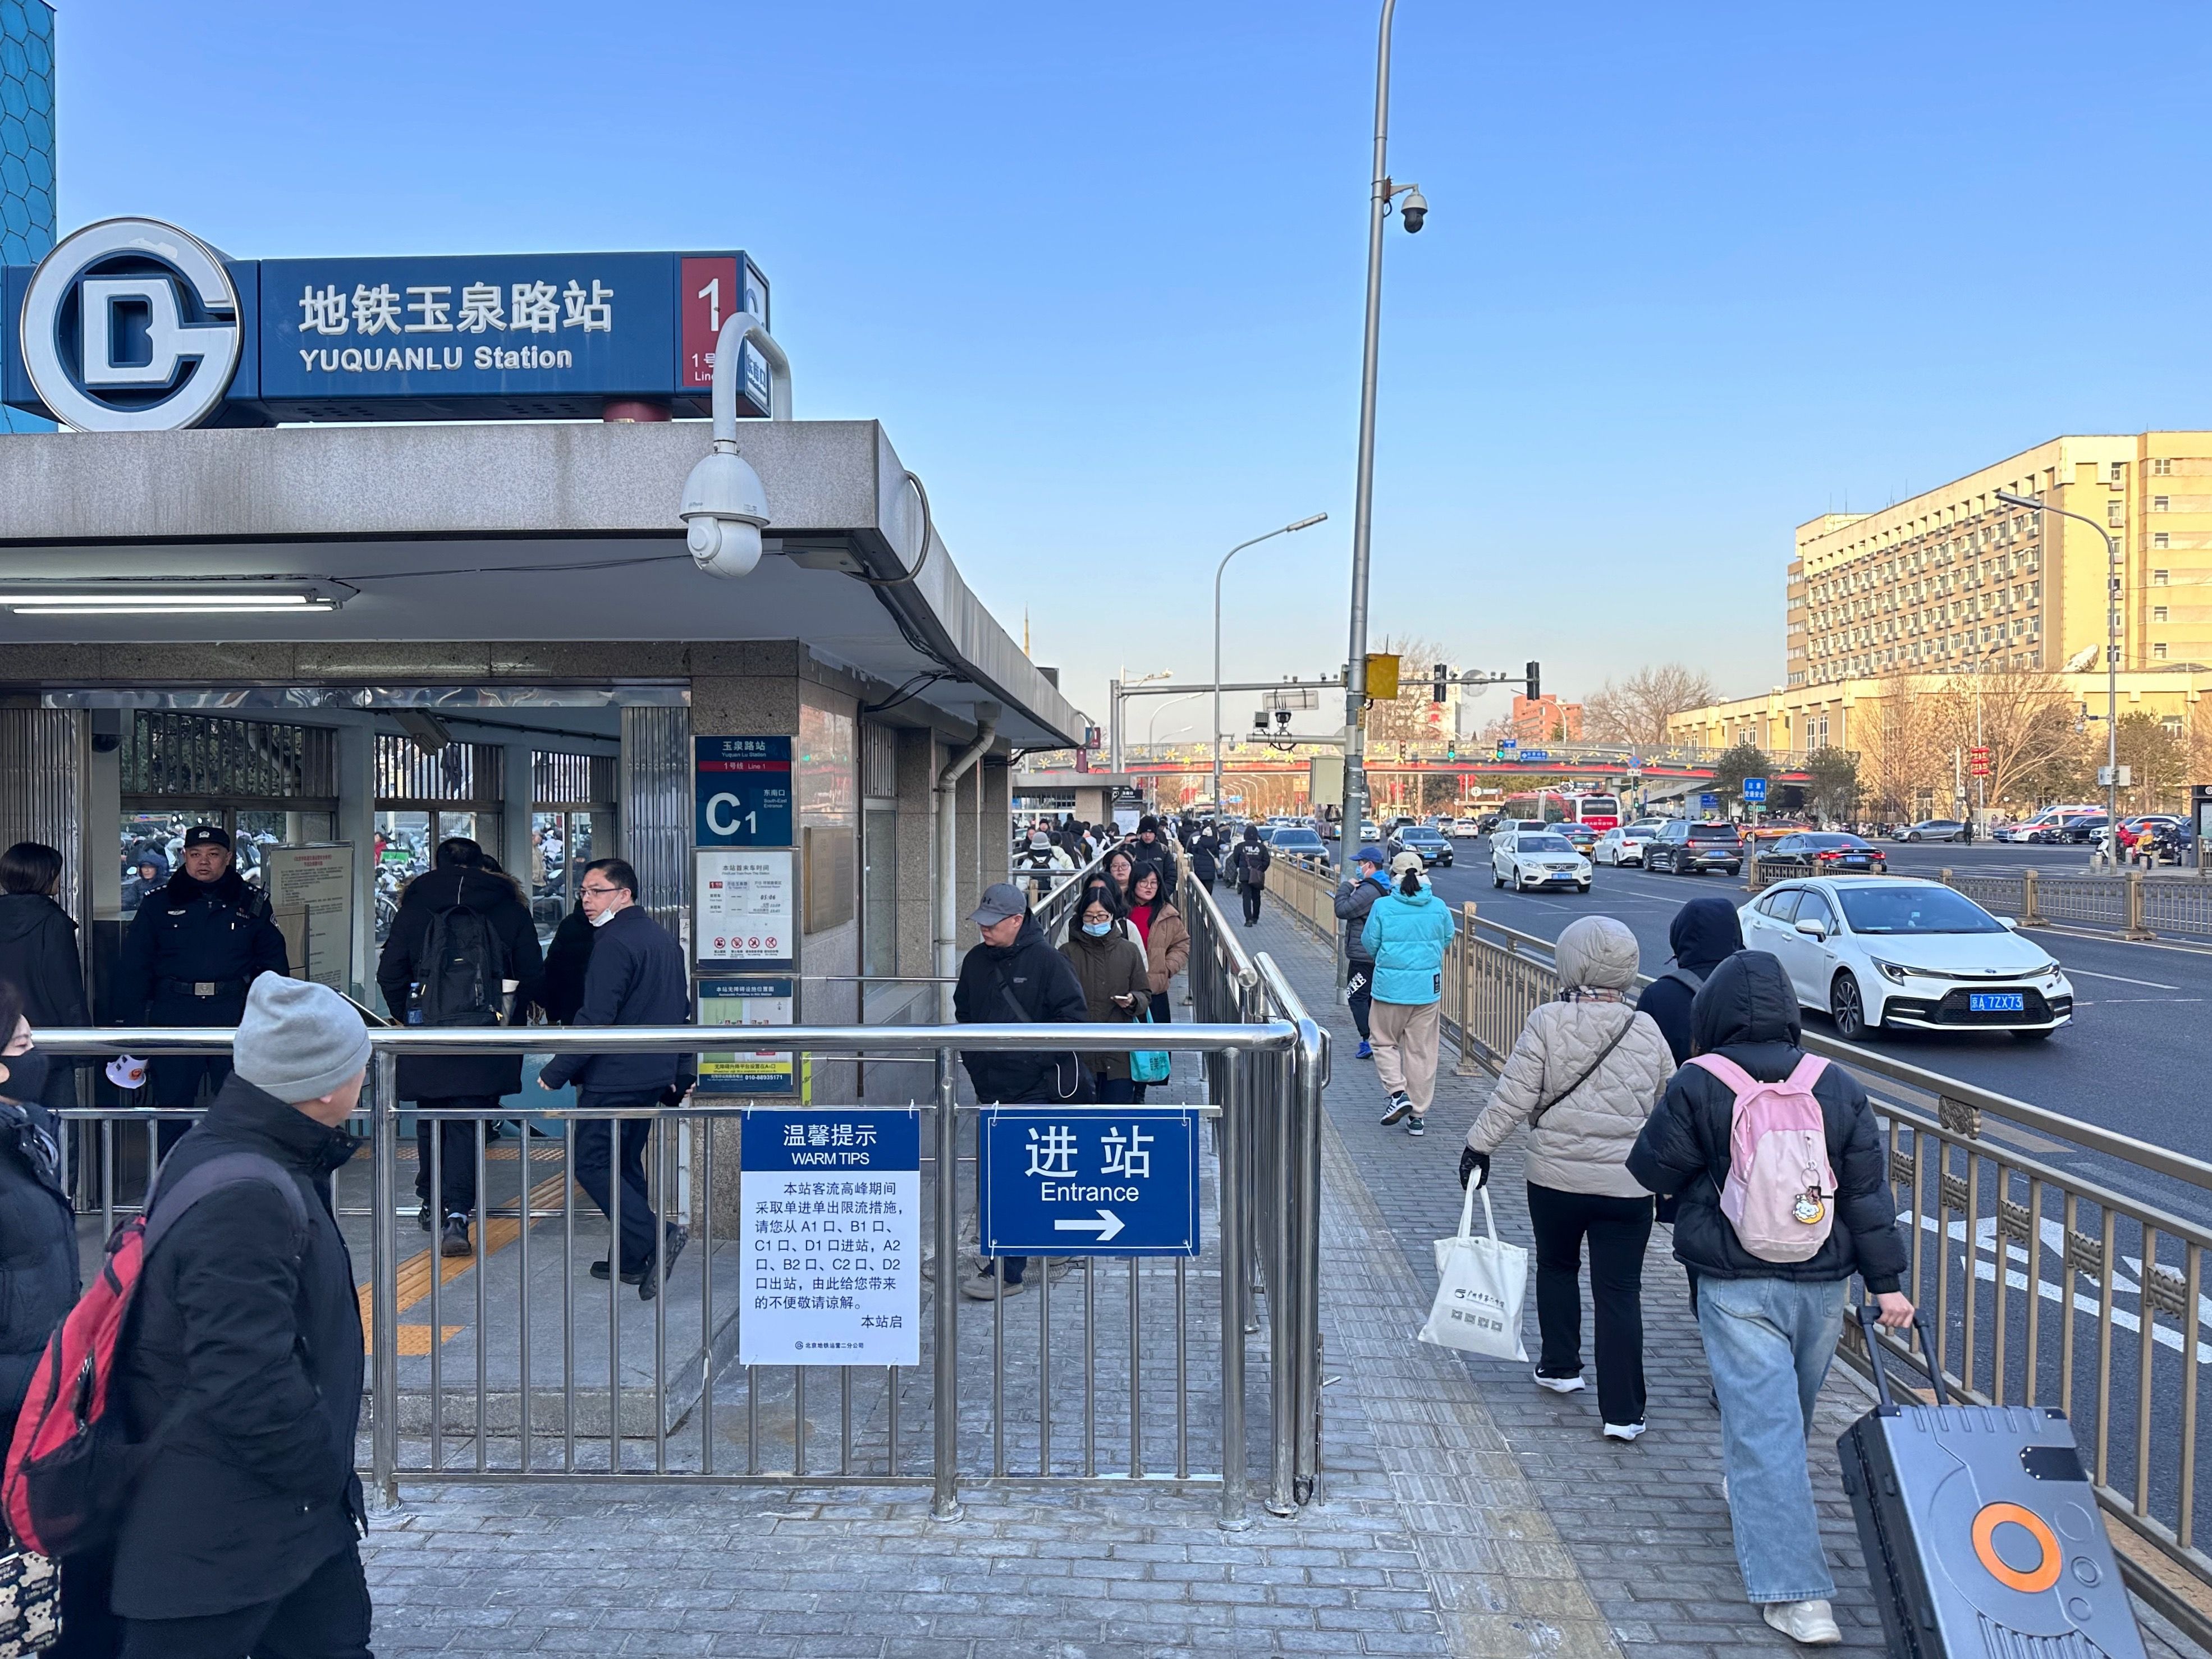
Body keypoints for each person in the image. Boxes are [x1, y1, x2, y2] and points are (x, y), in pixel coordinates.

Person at [1626, 950, 1913, 1647]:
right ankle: (1757, 1494)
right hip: (1821, 1281)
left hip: (1733, 1282)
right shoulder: (1834, 1082)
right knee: (1785, 1418)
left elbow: (1650, 1169)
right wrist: (1886, 1285)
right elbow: (1867, 1196)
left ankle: (1797, 1596)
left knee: (1766, 1428)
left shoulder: (1699, 1079)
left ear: (1711, 1012)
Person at [111, 974, 373, 1658]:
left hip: (282, 1523)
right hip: (222, 1527)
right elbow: (243, 1374)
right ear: (324, 1086)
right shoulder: (248, 1193)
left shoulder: (230, 1154)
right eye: (360, 1064)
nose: (364, 1078)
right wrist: (320, 1466)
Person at [1459, 916, 1674, 1440]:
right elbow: (1668, 1104)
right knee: (1619, 1291)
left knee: (1556, 1267)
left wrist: (1478, 1146)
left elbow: (1513, 1095)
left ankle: (1560, 1367)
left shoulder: (1547, 1021)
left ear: (1569, 961)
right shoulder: (1645, 1028)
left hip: (1554, 1177)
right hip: (1628, 1184)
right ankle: (1623, 1413)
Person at [377, 837, 544, 1257]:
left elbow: (390, 971)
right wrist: (508, 1017)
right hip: (486, 1032)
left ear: (436, 866)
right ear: (482, 866)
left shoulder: (415, 907)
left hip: (428, 1033)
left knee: (431, 1115)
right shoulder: (508, 907)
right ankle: (457, 1212)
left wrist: (412, 1015)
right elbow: (531, 972)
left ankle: (431, 1199)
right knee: (468, 1119)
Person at [536, 859, 691, 1299]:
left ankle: (656, 1236)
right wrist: (681, 1069)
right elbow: (680, 1010)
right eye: (583, 892)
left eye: (597, 891)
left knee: (593, 1163)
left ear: (624, 894)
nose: (587, 900)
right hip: (650, 1073)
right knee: (623, 1163)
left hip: (615, 1076)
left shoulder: (614, 942)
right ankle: (630, 1257)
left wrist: (558, 1069)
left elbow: (597, 1016)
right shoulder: (661, 938)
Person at [953, 883, 1089, 1299]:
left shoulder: (1048, 961)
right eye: (982, 922)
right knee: (1012, 1177)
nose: (985, 929)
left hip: (1035, 1090)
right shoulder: (975, 961)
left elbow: (1074, 1020)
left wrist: (1034, 1061)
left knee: (1014, 1178)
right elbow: (964, 1013)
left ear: (1017, 920)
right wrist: (976, 1063)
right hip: (991, 1087)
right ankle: (1045, 1245)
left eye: (993, 923)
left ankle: (1007, 1271)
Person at [116, 825, 289, 1145]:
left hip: (234, 1014)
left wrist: (273, 1021)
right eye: (195, 854)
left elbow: (274, 968)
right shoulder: (159, 903)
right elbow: (135, 968)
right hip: (175, 1014)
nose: (203, 862)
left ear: (229, 858)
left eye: (213, 854)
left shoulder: (251, 902)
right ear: (185, 856)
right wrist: (134, 1028)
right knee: (173, 1110)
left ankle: (232, 1174)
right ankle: (174, 1175)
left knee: (238, 1108)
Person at [1363, 851, 1455, 1136]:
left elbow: (1370, 942)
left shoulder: (1382, 906)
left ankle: (1397, 1093)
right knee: (1421, 1052)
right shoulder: (1438, 906)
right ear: (1423, 874)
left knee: (1383, 1042)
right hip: (1427, 989)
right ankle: (1418, 1116)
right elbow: (1447, 937)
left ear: (1394, 875)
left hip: (1390, 990)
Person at [0, 841, 90, 1113]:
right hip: (48, 1046)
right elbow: (66, 990)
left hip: (3, 1038)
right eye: (56, 873)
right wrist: (82, 1047)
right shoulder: (53, 922)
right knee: (55, 1128)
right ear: (44, 875)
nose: (59, 880)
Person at [1060, 887, 1151, 1105]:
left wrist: (1133, 1000)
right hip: (1078, 1054)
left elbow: (1145, 994)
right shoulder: (1067, 952)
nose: (1095, 922)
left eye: (1101, 916)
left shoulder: (1129, 951)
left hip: (1119, 1055)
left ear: (1112, 916)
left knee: (1116, 1116)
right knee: (1079, 1118)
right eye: (1089, 917)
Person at [1637, 896, 1744, 1066]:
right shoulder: (1760, 988)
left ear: (1680, 936)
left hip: (1684, 1082)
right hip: (1756, 1084)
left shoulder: (1658, 996)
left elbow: (1643, 1066)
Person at [1332, 845, 1390, 1061]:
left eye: (1360, 864)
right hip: (1374, 953)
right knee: (1370, 998)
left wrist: (1346, 887)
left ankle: (1369, 1040)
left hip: (1363, 954)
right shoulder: (1383, 885)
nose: (1358, 867)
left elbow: (1343, 910)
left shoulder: (1369, 890)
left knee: (1356, 995)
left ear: (1370, 865)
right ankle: (1377, 1038)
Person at [1125, 864, 1189, 1030]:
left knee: (1158, 1039)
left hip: (1156, 989)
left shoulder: (1167, 914)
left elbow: (1181, 945)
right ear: (1134, 883)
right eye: (1144, 882)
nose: (1149, 887)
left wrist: (1167, 968)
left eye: (1154, 883)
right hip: (1124, 988)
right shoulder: (1120, 911)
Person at [1227, 825, 1271, 926]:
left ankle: (1248, 920)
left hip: (1245, 875)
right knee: (1256, 897)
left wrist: (1242, 867)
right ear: (1256, 835)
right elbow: (1267, 861)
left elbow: (1236, 859)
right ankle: (1255, 917)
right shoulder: (1261, 847)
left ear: (1245, 835)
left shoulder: (1240, 846)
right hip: (1257, 876)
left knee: (1246, 897)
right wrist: (1260, 870)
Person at [1129, 815, 1180, 888]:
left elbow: (1171, 876)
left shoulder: (1163, 850)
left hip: (1158, 893)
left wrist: (1163, 893)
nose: (1147, 835)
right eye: (1145, 832)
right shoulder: (1132, 849)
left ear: (1155, 834)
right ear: (1141, 833)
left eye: (1151, 832)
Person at [1189, 824, 1221, 895]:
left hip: (1200, 869)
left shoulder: (1199, 842)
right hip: (1210, 871)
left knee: (1201, 890)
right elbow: (1217, 855)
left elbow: (1193, 851)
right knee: (1209, 890)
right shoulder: (1214, 843)